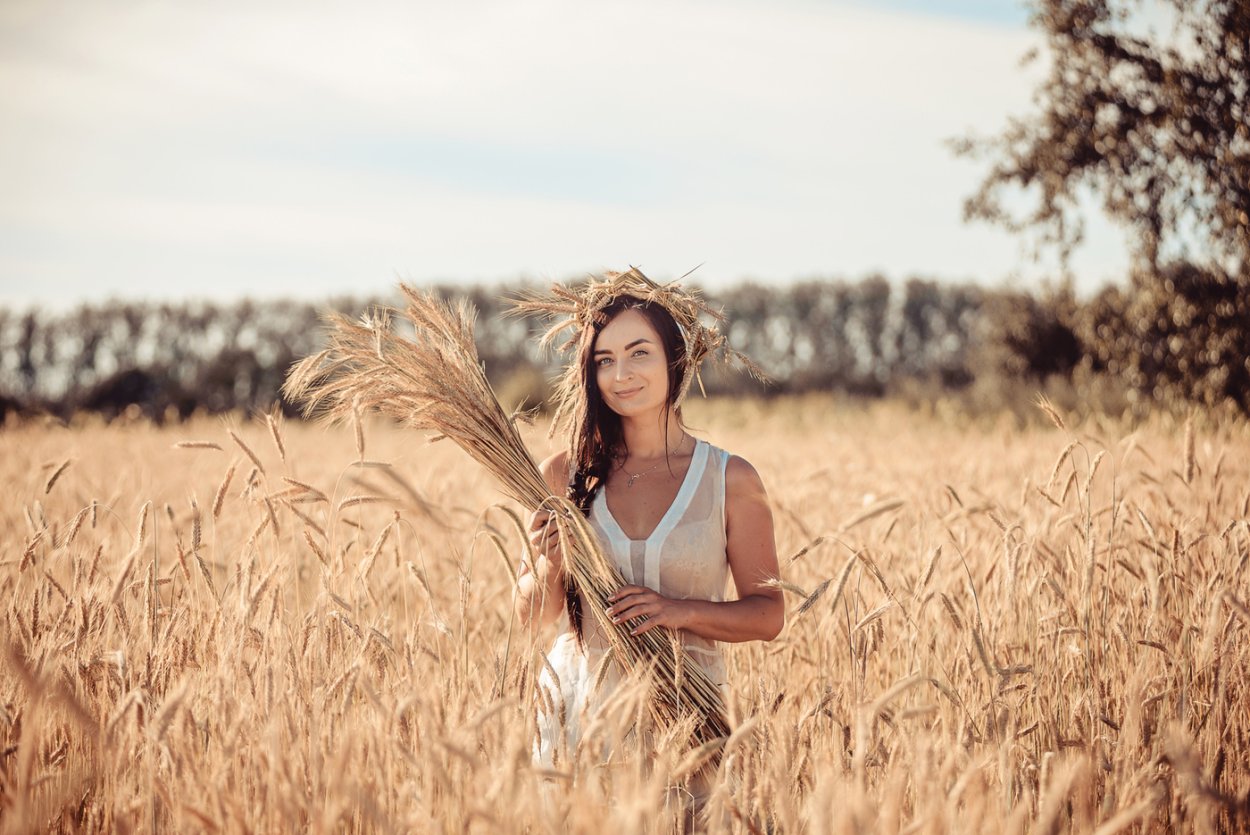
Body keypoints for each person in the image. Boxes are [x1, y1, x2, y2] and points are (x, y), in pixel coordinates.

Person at [511, 268, 784, 774]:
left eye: (639, 353)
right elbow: (530, 617)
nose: (621, 375)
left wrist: (678, 612)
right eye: (604, 360)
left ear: (675, 359)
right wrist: (547, 562)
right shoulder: (564, 473)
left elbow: (768, 615)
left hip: (689, 725)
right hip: (581, 719)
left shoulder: (731, 479)